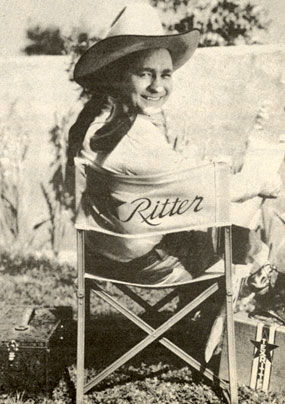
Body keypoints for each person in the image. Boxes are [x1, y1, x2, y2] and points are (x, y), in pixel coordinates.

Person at [67, 3, 283, 291]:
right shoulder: (135, 134)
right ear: (120, 77)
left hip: (103, 255)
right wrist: (264, 183)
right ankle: (250, 293)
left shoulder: (96, 124)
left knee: (234, 228)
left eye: (165, 74)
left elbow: (170, 179)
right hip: (150, 265)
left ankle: (234, 296)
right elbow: (211, 191)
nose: (158, 86)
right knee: (250, 220)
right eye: (145, 74)